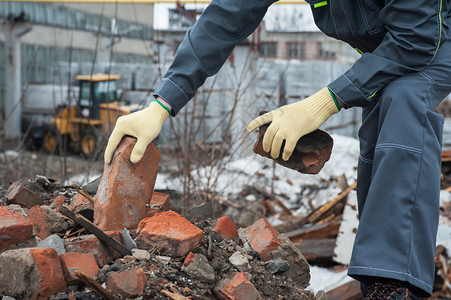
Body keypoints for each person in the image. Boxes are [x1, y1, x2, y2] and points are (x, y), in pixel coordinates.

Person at [104, 0, 451, 298]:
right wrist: (162, 103)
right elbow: (226, 16)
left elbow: (415, 38)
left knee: (404, 100)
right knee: (379, 126)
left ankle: (391, 287)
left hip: (432, 37)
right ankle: (381, 275)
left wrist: (322, 103)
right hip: (402, 43)